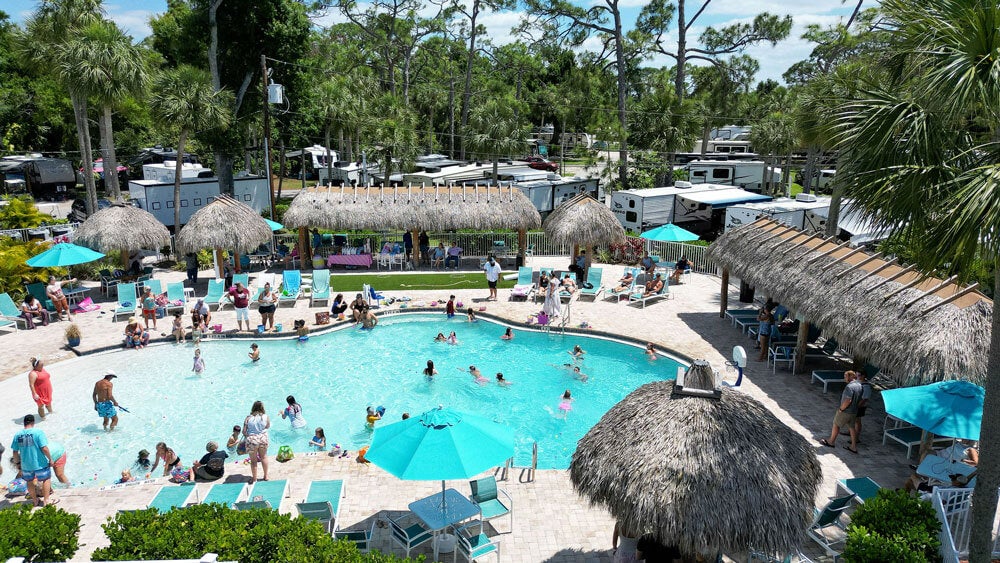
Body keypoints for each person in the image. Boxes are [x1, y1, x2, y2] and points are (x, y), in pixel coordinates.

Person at [10, 414, 54, 507]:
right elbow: (44, 448)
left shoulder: (17, 435)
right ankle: (46, 501)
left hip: (26, 465)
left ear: (24, 423)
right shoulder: (38, 432)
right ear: (33, 422)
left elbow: (14, 452)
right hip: (40, 463)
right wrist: (50, 459)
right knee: (46, 479)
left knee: (29, 482)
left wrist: (18, 463)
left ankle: (35, 501)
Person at [820, 370, 862, 453]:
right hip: (854, 411)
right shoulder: (859, 385)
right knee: (852, 427)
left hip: (846, 411)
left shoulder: (849, 387)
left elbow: (848, 400)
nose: (844, 378)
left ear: (850, 377)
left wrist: (841, 409)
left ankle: (831, 442)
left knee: (836, 424)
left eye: (845, 376)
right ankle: (853, 446)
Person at [243, 401, 270, 483]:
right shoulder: (266, 416)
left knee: (253, 460)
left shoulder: (248, 418)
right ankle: (265, 476)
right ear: (262, 408)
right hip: (263, 439)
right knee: (264, 457)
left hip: (252, 440)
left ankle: (254, 479)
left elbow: (244, 432)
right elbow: (267, 426)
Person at [853, 370, 873, 439]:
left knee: (857, 421)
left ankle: (856, 437)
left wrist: (857, 406)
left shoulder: (866, 387)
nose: (857, 377)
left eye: (858, 375)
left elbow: (865, 399)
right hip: (855, 404)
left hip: (860, 406)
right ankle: (851, 432)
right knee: (852, 420)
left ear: (863, 376)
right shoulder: (858, 382)